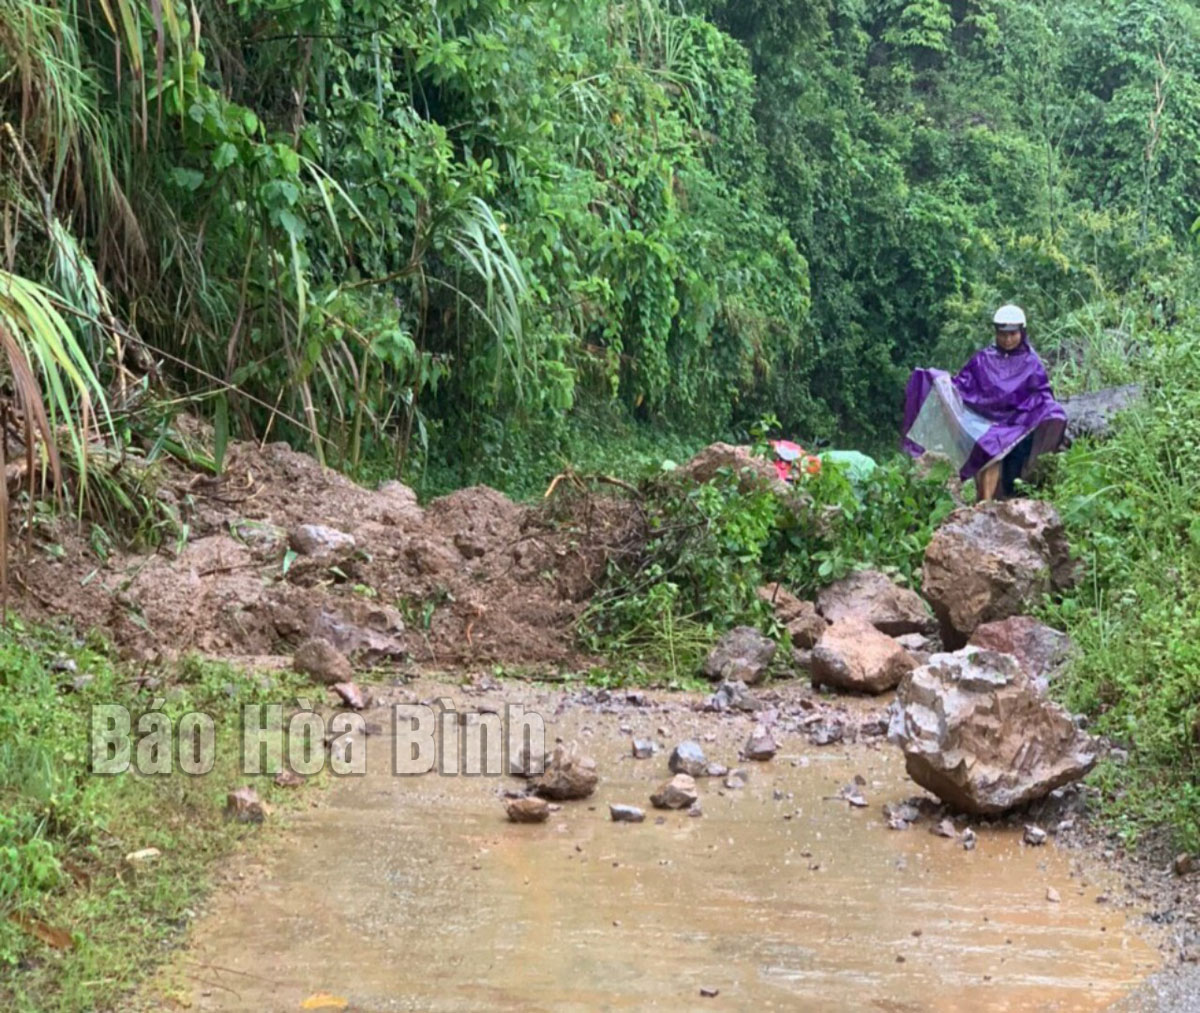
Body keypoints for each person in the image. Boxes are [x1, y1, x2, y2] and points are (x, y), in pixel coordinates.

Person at [901, 304, 1067, 501]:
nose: (1007, 339)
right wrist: (939, 381)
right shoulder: (983, 359)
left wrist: (1044, 412)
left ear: (1022, 332)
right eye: (1002, 334)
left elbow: (1042, 394)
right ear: (996, 333)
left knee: (994, 449)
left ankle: (989, 502)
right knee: (986, 448)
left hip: (1014, 425)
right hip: (980, 422)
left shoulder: (1031, 362)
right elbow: (962, 385)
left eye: (1012, 334)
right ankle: (983, 503)